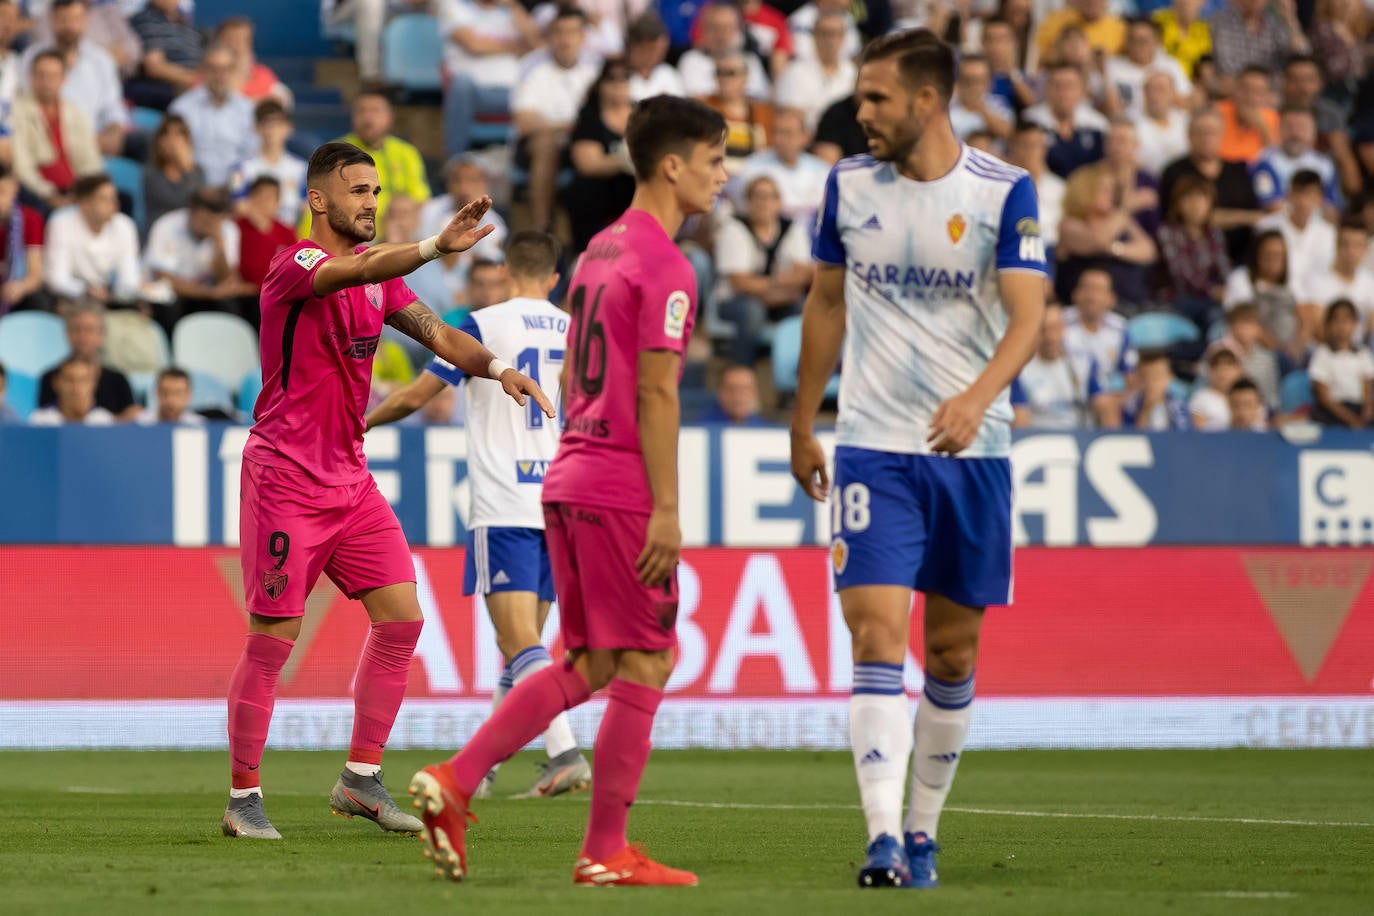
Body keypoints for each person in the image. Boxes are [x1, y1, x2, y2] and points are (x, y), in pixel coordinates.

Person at [406, 94, 726, 887]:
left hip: (567, 474)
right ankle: (604, 850)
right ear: (675, 163)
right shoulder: (666, 264)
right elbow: (656, 394)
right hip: (618, 482)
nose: (724, 176)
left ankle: (454, 779)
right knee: (647, 661)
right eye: (717, 160)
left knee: (588, 660)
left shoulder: (599, 251)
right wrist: (670, 509)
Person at [221, 140, 552, 841]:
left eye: (376, 190)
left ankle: (360, 780)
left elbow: (440, 333)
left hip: (350, 477)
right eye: (358, 190)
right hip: (284, 476)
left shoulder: (380, 282)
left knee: (401, 620)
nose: (370, 201)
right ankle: (243, 797)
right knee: (274, 639)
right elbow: (364, 264)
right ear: (319, 200)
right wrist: (436, 244)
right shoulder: (296, 265)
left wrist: (497, 369)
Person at [790, 29, 1046, 889]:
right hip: (873, 446)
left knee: (950, 655)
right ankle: (882, 840)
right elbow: (824, 303)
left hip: (974, 454)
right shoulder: (846, 185)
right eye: (859, 97)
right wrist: (802, 422)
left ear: (927, 101)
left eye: (875, 99)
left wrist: (978, 398)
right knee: (875, 633)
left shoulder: (1004, 192)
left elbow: (1027, 317)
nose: (859, 113)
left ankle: (925, 829)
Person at [365, 230, 591, 798]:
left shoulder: (481, 324)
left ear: (507, 271)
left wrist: (363, 421)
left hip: (507, 500)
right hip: (563, 499)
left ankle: (564, 750)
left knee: (517, 639)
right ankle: (484, 766)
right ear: (556, 278)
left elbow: (418, 395)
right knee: (521, 643)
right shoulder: (577, 331)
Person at [511, 5, 598, 233]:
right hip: (536, 146)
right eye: (558, 32)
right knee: (547, 142)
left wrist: (571, 129)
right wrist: (567, 127)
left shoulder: (596, 69)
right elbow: (524, 122)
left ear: (582, 36)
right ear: (549, 36)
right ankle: (541, 227)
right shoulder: (532, 66)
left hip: (582, 141)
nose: (564, 39)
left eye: (571, 32)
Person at [713, 173, 813, 366]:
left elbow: (804, 274)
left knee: (804, 308)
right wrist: (780, 283)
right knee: (753, 310)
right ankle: (742, 371)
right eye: (757, 197)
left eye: (769, 197)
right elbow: (740, 283)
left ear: (778, 202)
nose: (763, 203)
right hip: (733, 301)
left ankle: (797, 375)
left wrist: (772, 288)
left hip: (781, 299)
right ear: (748, 202)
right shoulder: (734, 227)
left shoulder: (791, 227)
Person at [22, 0, 128, 157]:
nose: (69, 26)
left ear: (85, 20)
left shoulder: (101, 60)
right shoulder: (33, 57)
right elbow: (25, 103)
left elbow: (113, 109)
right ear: (52, 19)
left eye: (75, 19)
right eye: (63, 19)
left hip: (94, 143)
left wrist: (113, 132)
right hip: (46, 142)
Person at [1159, 107, 1261, 264]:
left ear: (1222, 135)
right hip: (1191, 259)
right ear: (1189, 135)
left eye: (1211, 132)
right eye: (1200, 132)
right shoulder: (1174, 172)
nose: (1206, 138)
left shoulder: (1240, 171)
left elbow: (1257, 215)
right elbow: (1187, 219)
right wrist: (1243, 218)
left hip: (1241, 257)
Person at [561, 60, 636, 255]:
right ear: (601, 83)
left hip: (634, 190)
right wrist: (628, 160)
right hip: (598, 195)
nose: (619, 83)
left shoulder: (642, 113)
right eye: (612, 78)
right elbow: (587, 164)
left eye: (625, 77)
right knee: (584, 189)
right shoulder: (590, 118)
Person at [11, 49, 101, 211]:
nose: (46, 82)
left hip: (75, 189)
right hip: (37, 191)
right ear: (31, 78)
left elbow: (91, 161)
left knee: (120, 200)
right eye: (41, 75)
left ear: (63, 79)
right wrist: (50, 195)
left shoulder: (76, 113)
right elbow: (22, 166)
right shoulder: (16, 112)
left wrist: (83, 193)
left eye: (53, 76)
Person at [42, 173, 141, 305]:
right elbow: (56, 278)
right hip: (71, 297)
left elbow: (129, 276)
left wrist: (114, 294)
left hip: (108, 295)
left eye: (113, 198)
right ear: (84, 203)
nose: (113, 204)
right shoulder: (61, 222)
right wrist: (85, 290)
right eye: (104, 199)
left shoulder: (125, 225)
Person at [168, 46, 258, 188]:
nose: (220, 76)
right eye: (213, 69)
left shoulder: (246, 109)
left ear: (233, 72)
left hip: (235, 190)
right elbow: (174, 158)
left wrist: (236, 193)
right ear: (202, 71)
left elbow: (251, 155)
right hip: (192, 189)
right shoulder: (181, 109)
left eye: (226, 70)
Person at [1010, 301, 1111, 429]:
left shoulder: (1084, 362)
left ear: (1064, 328)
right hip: (1038, 439)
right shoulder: (1019, 369)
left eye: (1055, 328)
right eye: (1043, 330)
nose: (1050, 337)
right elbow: (1020, 420)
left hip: (1080, 437)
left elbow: (1105, 407)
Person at [338, 91, 431, 225]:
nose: (368, 117)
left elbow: (421, 198)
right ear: (353, 118)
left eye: (375, 111)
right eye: (362, 111)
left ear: (389, 117)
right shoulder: (337, 152)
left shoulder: (407, 152)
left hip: (401, 224)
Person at [36, 304, 135, 419]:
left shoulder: (118, 380)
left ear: (102, 335)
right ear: (67, 333)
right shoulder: (50, 377)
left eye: (89, 330)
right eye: (76, 329)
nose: (82, 336)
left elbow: (128, 420)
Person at [229, 101, 308, 228]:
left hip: (290, 240)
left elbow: (305, 209)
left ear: (288, 128)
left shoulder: (302, 169)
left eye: (277, 124)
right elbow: (239, 207)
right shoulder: (239, 169)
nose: (271, 130)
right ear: (256, 128)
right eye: (265, 124)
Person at [775, 9, 855, 132]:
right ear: (814, 35)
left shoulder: (853, 73)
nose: (830, 40)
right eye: (825, 33)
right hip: (806, 142)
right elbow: (790, 117)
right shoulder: (795, 72)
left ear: (843, 37)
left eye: (835, 33)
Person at [1251, 107, 1339, 211]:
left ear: (1313, 131)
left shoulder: (1324, 164)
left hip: (1316, 224)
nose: (1295, 133)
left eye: (1302, 127)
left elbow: (1331, 207)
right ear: (1279, 129)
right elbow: (1270, 205)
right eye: (1289, 127)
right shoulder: (1264, 159)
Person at [126, 0, 204, 110]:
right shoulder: (147, 19)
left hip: (195, 83)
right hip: (166, 88)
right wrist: (195, 81)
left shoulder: (185, 22)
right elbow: (154, 67)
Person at [1308, 298, 1374, 428]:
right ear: (1328, 325)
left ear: (1355, 324)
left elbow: (1367, 386)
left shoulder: (1363, 354)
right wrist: (1351, 419)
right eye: (1336, 321)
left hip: (1358, 407)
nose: (1341, 326)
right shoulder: (1323, 354)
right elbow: (1323, 396)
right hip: (1333, 410)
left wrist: (1367, 411)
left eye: (1346, 321)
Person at [142, 113, 204, 230]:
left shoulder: (198, 172)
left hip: (190, 236)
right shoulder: (150, 172)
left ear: (187, 141)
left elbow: (199, 204)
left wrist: (187, 168)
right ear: (159, 141)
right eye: (166, 134)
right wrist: (186, 167)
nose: (172, 141)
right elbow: (176, 201)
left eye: (179, 134)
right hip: (159, 236)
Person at [235, 176, 297, 290]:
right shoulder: (235, 227)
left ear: (277, 203)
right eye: (259, 197)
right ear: (250, 199)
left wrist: (263, 228)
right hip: (241, 295)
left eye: (268, 198)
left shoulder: (288, 232)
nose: (263, 203)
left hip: (275, 294)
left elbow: (292, 272)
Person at [0, 161, 47, 312]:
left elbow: (34, 275)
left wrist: (20, 287)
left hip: (13, 287)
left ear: (14, 188)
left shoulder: (31, 219)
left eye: (2, 192)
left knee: (38, 302)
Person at [28, 353, 114, 425]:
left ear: (93, 383)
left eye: (83, 380)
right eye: (69, 380)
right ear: (56, 383)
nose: (76, 387)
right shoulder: (40, 420)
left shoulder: (104, 421)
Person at [1133, 70, 1188, 179]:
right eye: (1150, 90)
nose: (1154, 95)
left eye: (1161, 90)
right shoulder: (1133, 125)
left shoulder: (1187, 121)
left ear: (1173, 93)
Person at [1119, 348, 1189, 429]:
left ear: (1170, 377)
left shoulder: (1178, 404)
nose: (1154, 383)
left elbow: (1185, 435)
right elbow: (1130, 436)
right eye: (1149, 377)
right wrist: (1146, 409)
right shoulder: (1132, 406)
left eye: (1158, 377)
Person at [625, 12, 685, 102]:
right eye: (652, 49)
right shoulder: (616, 76)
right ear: (634, 46)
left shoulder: (668, 74)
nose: (659, 55)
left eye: (662, 50)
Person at [1188, 342, 1244, 429]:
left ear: (1240, 369)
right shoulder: (1200, 398)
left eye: (1229, 364)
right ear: (1209, 370)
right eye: (1216, 365)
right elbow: (1198, 435)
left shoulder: (1250, 396)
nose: (1223, 371)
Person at [136, 366, 203, 426]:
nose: (170, 399)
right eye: (165, 392)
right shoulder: (140, 424)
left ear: (188, 395)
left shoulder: (201, 426)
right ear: (157, 393)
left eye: (178, 393)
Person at [698, 363, 762, 424]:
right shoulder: (700, 430)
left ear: (755, 392)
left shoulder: (766, 431)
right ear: (720, 392)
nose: (738, 396)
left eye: (745, 389)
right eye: (731, 389)